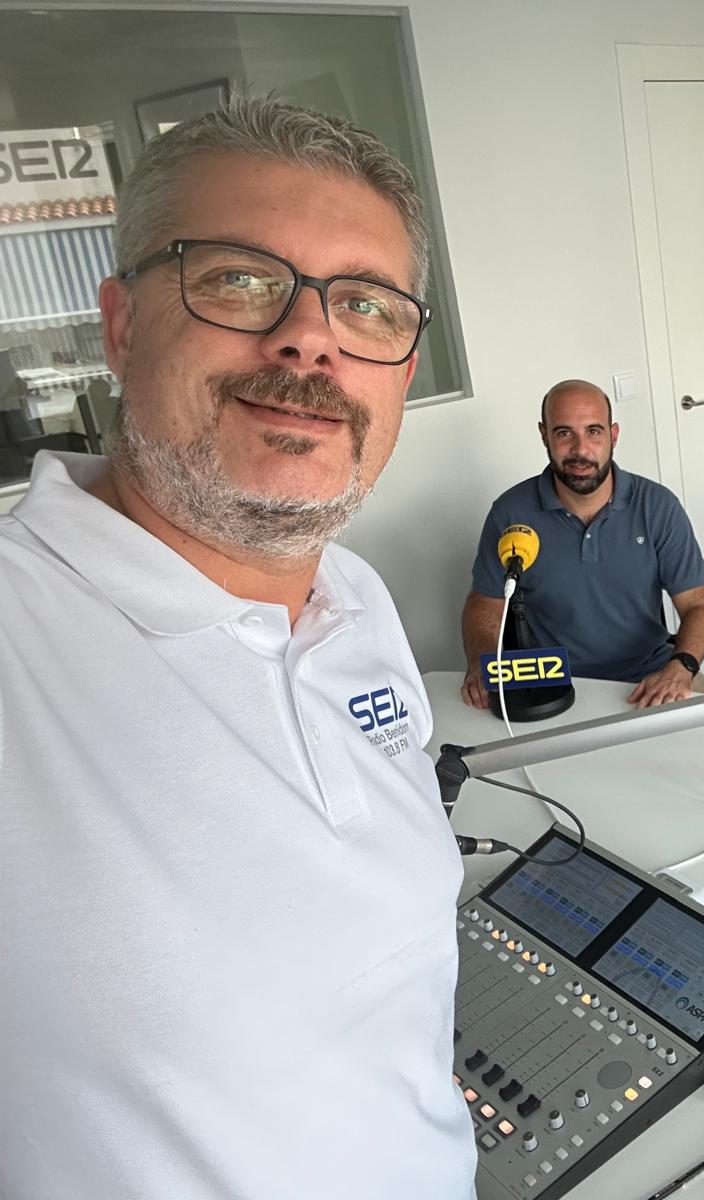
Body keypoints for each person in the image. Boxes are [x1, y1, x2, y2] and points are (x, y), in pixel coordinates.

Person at [0, 99, 475, 1198]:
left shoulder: (355, 600)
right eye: (240, 279)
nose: (311, 339)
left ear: (401, 371)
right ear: (122, 327)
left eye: (365, 304)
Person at [460, 379, 704, 709]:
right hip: (553, 687)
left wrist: (682, 667)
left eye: (593, 431)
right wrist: (482, 663)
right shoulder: (510, 512)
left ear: (613, 435)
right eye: (564, 433)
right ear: (544, 435)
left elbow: (698, 606)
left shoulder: (658, 507)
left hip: (651, 676)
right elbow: (485, 602)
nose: (580, 449)